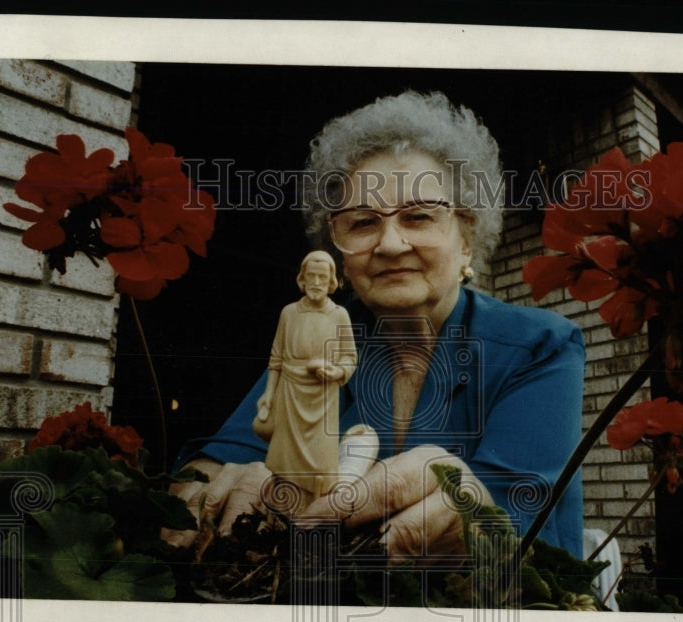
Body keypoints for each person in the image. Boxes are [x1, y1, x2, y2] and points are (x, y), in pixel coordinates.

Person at [163, 90, 585, 561]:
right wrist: (213, 485)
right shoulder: (324, 334)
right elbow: (218, 460)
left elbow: (519, 515)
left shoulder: (540, 346)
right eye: (363, 222)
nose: (389, 243)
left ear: (466, 240)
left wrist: (473, 512)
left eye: (419, 216)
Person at [254, 250, 357, 509]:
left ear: (331, 280)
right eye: (311, 276)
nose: (316, 282)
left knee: (321, 467)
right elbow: (276, 359)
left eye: (322, 277)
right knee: (284, 464)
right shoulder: (289, 313)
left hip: (322, 397)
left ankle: (313, 516)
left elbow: (349, 358)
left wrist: (336, 372)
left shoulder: (339, 316)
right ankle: (280, 516)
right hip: (289, 394)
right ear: (302, 278)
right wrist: (268, 395)